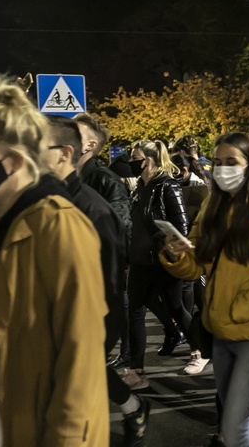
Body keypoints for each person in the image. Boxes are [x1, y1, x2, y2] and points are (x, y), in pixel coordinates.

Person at [0, 77, 109, 446]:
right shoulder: (2, 222)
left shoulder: (59, 225)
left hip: (32, 427)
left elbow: (82, 362)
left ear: (13, 162)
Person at [161, 133, 249, 447]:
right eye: (217, 162)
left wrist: (248, 305)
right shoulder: (212, 205)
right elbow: (195, 265)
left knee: (239, 433)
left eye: (232, 163)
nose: (223, 169)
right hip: (220, 331)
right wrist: (176, 253)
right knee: (233, 430)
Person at [43, 116, 151, 443]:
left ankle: (126, 411)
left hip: (94, 310)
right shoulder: (46, 196)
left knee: (77, 377)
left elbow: (114, 247)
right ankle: (132, 407)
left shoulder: (99, 197)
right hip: (62, 310)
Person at [124, 139, 192, 390]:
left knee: (176, 307)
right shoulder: (139, 188)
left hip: (163, 260)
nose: (131, 161)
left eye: (134, 157)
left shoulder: (167, 185)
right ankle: (136, 370)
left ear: (148, 160)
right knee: (134, 312)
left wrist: (172, 250)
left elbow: (181, 223)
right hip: (140, 261)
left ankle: (198, 351)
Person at [74, 113, 135, 368]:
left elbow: (121, 227)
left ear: (90, 146)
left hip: (98, 275)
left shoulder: (104, 179)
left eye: (75, 133)